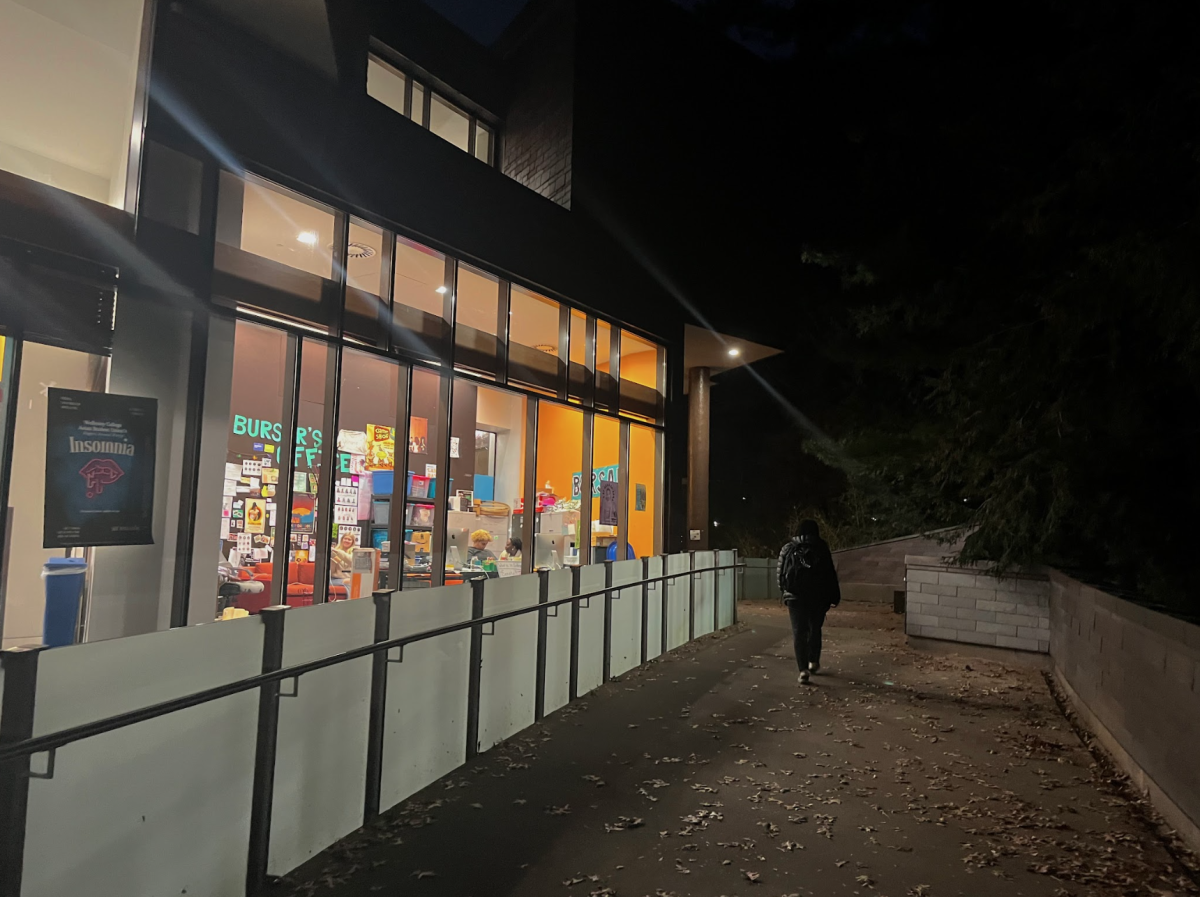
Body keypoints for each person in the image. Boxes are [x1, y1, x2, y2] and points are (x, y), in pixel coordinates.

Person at [778, 519, 841, 684]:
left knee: (799, 632)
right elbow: (830, 573)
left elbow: (780, 572)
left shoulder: (788, 547)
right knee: (814, 629)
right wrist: (834, 595)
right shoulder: (821, 547)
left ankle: (803, 670)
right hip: (818, 597)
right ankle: (814, 661)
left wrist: (784, 591)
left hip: (795, 597)